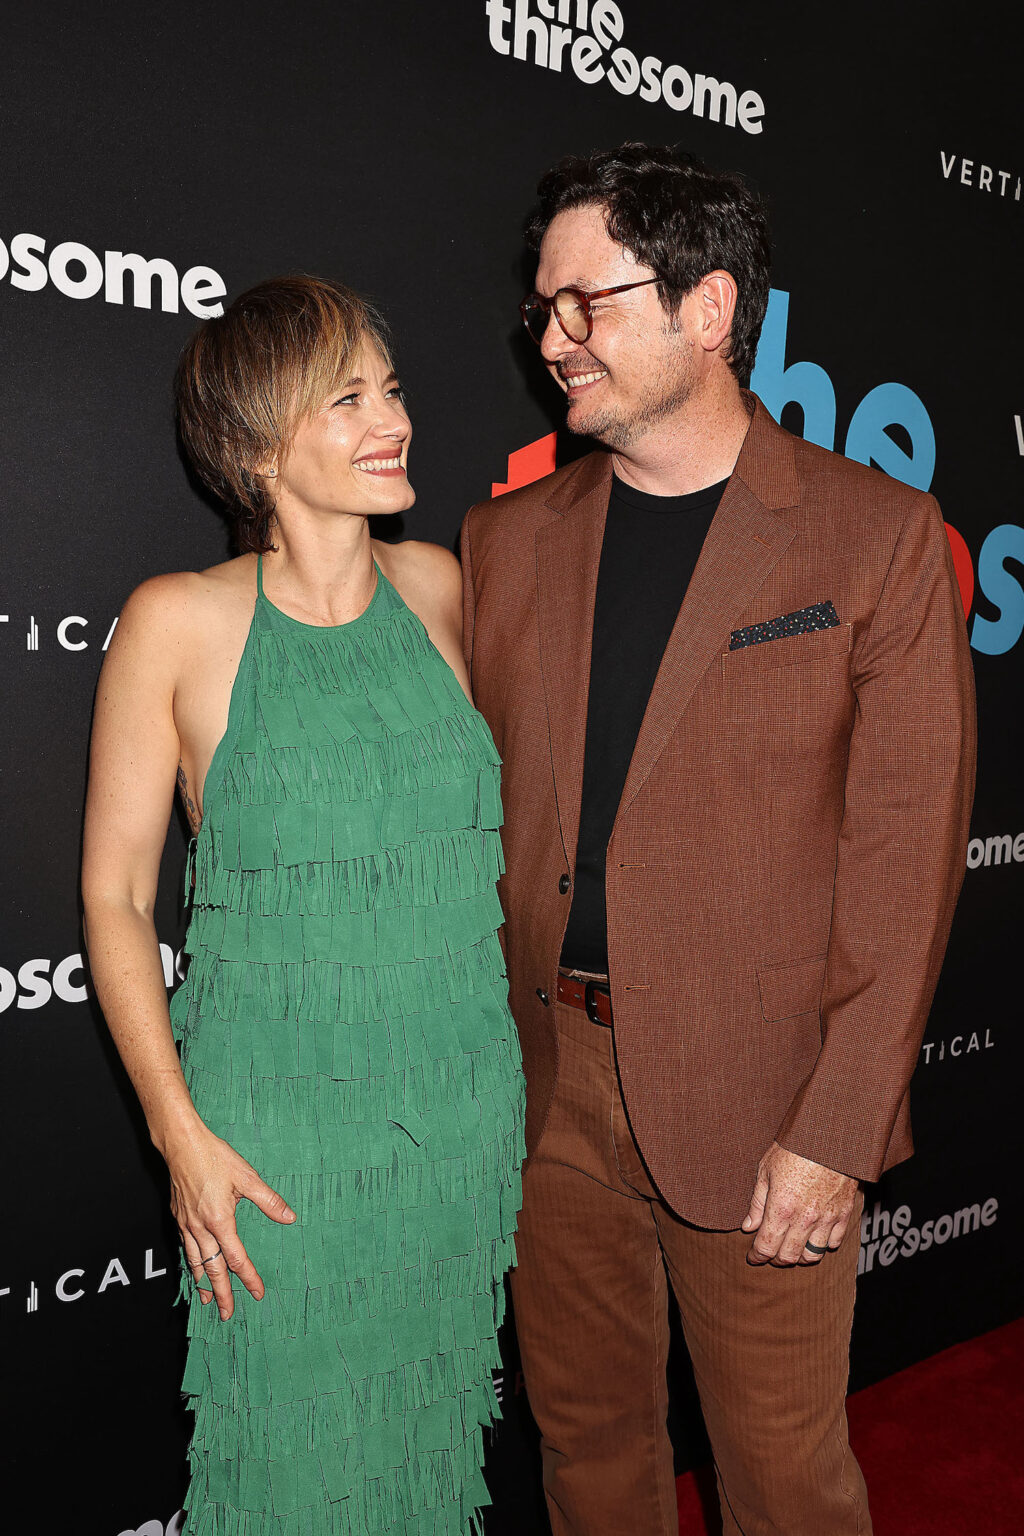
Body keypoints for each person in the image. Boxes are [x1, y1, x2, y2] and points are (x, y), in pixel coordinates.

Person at [459, 145, 976, 1536]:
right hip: (541, 1090)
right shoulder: (506, 544)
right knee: (591, 1459)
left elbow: (906, 860)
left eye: (590, 304)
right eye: (544, 309)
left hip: (763, 1103)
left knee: (785, 1485)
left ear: (708, 308)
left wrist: (837, 1129)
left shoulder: (873, 538)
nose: (556, 339)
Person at [81, 275, 525, 1535]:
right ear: (256, 443)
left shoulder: (442, 585)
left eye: (389, 389)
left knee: (432, 1441)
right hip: (273, 1142)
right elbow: (115, 897)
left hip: (455, 1115)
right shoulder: (174, 623)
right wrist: (180, 1136)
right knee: (286, 1467)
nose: (391, 418)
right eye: (348, 398)